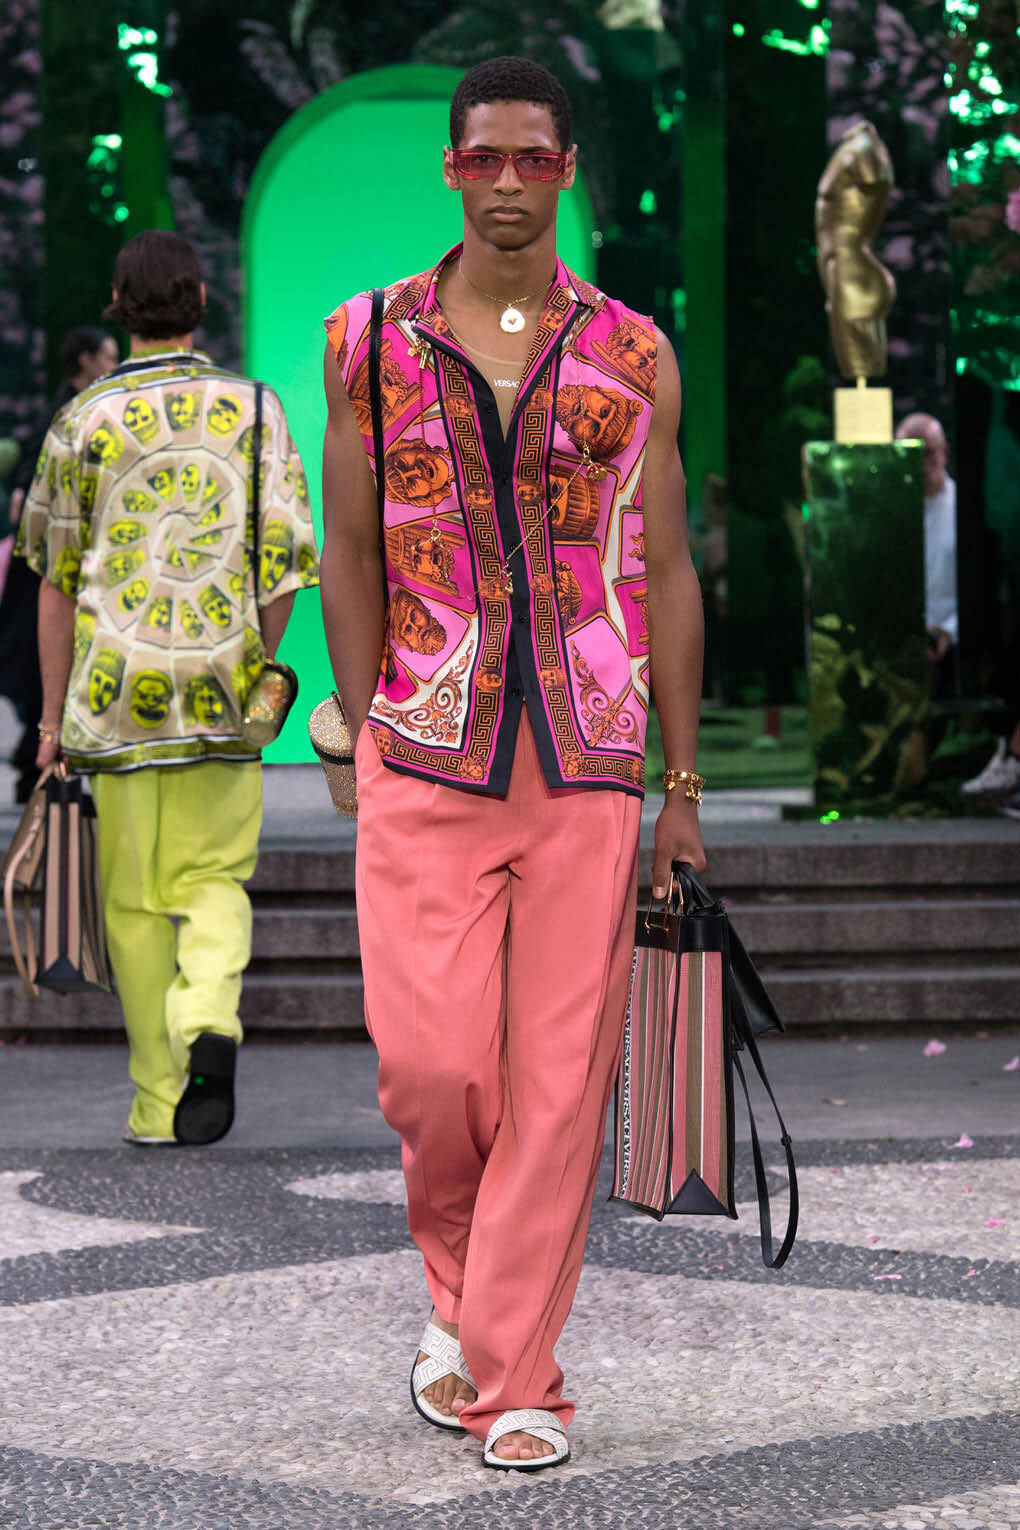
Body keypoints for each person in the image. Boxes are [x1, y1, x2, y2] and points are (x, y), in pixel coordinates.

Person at [320, 57, 706, 1472]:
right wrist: (361, 720)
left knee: (554, 1082)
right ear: (449, 168)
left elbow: (664, 565)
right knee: (432, 1071)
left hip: (590, 756)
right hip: (425, 743)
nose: (503, 182)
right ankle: (466, 1301)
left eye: (530, 159)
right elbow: (349, 549)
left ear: (565, 172)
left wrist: (682, 783)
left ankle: (517, 1375)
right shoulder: (366, 338)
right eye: (481, 157)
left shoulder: (634, 351)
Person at [19, 230, 319, 1146]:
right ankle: (211, 1024)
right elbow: (283, 573)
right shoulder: (257, 410)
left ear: (119, 305)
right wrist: (255, 665)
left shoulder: (81, 422)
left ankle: (157, 1101)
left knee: (133, 908)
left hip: (112, 697)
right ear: (200, 299)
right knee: (218, 880)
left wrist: (48, 717)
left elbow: (54, 581)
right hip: (221, 695)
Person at [0, 326, 120, 802]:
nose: (114, 365)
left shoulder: (70, 413)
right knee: (47, 668)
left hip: (45, 572)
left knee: (42, 671)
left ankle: (40, 767)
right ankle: (41, 768)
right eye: (108, 356)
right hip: (50, 573)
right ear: (87, 359)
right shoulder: (76, 417)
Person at [895, 412, 959, 700]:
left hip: (955, 645)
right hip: (900, 644)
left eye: (928, 453)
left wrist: (948, 631)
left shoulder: (964, 510)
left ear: (944, 453)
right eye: (909, 455)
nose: (920, 465)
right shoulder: (889, 514)